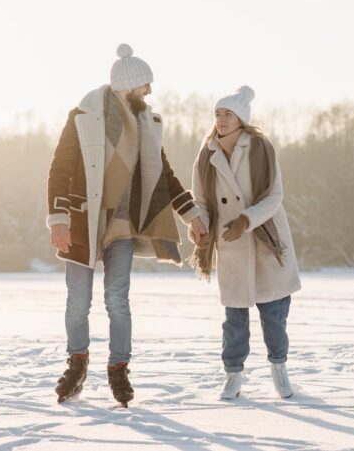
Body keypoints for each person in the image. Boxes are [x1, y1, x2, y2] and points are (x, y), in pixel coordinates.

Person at [46, 44, 206, 405]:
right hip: (82, 222)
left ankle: (118, 370)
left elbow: (164, 174)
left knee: (118, 300)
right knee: (78, 303)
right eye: (144, 86)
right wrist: (58, 220)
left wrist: (192, 213)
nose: (149, 92)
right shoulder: (83, 116)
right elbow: (59, 170)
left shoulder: (148, 124)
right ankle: (77, 363)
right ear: (126, 85)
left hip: (122, 227)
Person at [187, 86, 301, 399]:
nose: (221, 120)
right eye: (218, 114)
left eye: (228, 114)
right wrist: (199, 224)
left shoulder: (261, 148)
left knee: (273, 315)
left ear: (241, 119)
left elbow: (275, 196)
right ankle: (233, 376)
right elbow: (200, 200)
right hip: (230, 244)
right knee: (234, 319)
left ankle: (279, 368)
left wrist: (246, 220)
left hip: (264, 238)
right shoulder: (206, 153)